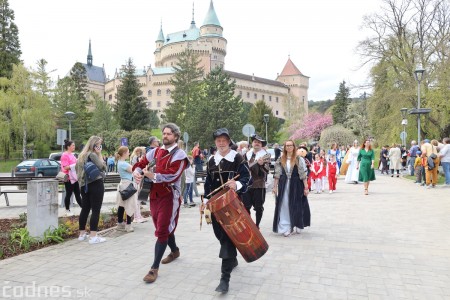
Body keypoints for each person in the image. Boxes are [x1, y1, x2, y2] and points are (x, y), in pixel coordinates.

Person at [132, 123, 189, 284]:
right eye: (164, 133)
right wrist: (137, 172)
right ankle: (175, 251)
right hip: (155, 195)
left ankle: (153, 268)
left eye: (169, 134)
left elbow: (172, 176)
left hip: (170, 196)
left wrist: (151, 174)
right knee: (161, 228)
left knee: (162, 229)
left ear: (176, 136)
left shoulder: (180, 155)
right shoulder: (156, 151)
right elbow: (141, 163)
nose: (165, 136)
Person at [202, 128, 251, 294]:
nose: (221, 143)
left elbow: (246, 178)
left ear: (229, 141)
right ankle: (233, 259)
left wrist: (236, 185)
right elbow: (208, 183)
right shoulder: (211, 160)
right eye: (218, 140)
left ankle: (224, 279)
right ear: (215, 142)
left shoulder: (237, 158)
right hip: (216, 207)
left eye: (224, 140)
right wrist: (205, 201)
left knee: (227, 240)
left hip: (233, 205)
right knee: (220, 236)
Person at [272, 140, 310, 236]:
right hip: (284, 185)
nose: (288, 147)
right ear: (284, 147)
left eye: (290, 145)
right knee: (284, 205)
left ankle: (297, 223)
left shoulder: (299, 159)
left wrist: (306, 187)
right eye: (286, 145)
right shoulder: (280, 159)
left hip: (296, 185)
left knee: (297, 205)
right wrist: (275, 187)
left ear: (294, 147)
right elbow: (277, 174)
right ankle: (287, 226)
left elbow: (303, 174)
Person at [76, 136, 107, 244]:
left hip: (83, 186)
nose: (99, 147)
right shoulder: (93, 155)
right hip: (95, 184)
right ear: (94, 146)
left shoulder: (81, 156)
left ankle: (82, 234)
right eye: (98, 145)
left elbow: (77, 172)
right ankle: (93, 236)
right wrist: (99, 155)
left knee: (85, 209)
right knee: (96, 210)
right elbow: (103, 167)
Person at [243, 134, 270, 229]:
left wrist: (262, 165)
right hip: (247, 185)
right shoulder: (247, 154)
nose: (257, 143)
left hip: (259, 184)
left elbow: (267, 170)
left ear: (261, 144)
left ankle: (257, 225)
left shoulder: (265, 155)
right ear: (252, 143)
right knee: (245, 206)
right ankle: (250, 224)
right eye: (255, 142)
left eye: (259, 142)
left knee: (258, 207)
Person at [115, 146, 137, 233]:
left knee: (121, 205)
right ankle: (128, 225)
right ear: (124, 153)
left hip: (123, 185)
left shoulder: (119, 163)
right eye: (128, 152)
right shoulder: (124, 164)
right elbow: (134, 171)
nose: (129, 153)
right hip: (128, 185)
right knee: (129, 205)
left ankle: (120, 224)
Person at [60, 139, 82, 216]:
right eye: (73, 145)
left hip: (74, 177)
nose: (74, 146)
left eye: (74, 145)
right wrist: (75, 165)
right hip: (68, 178)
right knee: (69, 194)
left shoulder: (72, 154)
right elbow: (65, 167)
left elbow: (76, 163)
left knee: (77, 194)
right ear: (68, 146)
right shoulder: (64, 155)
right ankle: (67, 209)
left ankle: (84, 208)